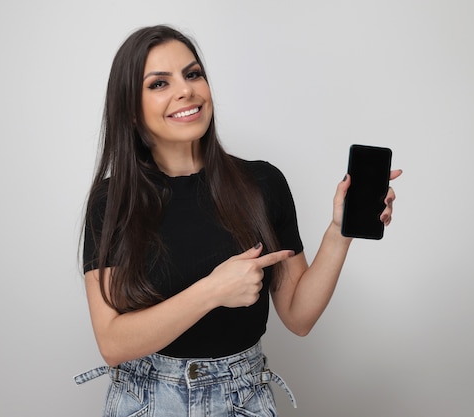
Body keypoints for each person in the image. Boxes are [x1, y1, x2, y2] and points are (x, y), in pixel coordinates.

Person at [74, 24, 402, 417]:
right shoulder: (112, 202)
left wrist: (340, 231)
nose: (186, 90)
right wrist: (213, 291)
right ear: (130, 109)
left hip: (241, 399)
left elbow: (298, 317)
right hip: (146, 402)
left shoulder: (262, 183)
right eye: (159, 83)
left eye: (193, 74)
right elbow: (112, 343)